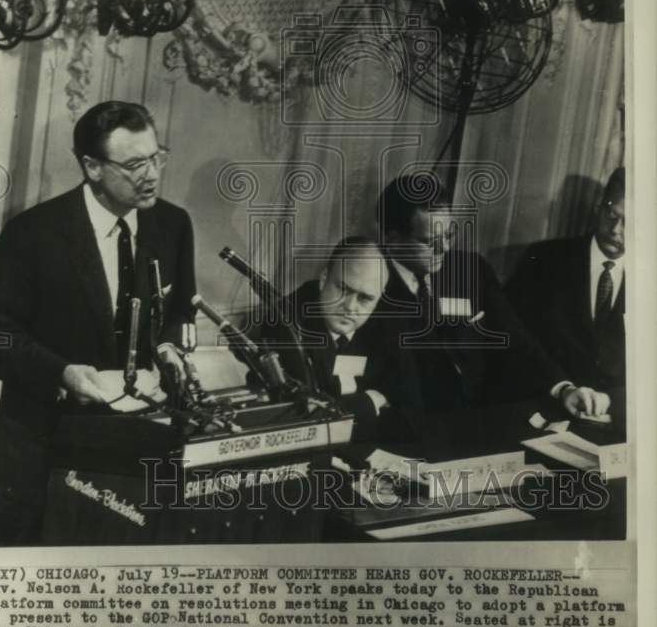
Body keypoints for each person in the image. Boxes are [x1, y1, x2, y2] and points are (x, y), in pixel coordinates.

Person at [0, 101, 196, 544]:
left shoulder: (173, 224)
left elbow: (179, 310)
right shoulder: (31, 233)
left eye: (157, 157)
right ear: (93, 167)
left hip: (135, 441)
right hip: (44, 441)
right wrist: (62, 373)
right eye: (134, 164)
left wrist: (170, 347)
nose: (152, 174)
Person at [365, 170, 554, 444]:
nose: (443, 248)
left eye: (450, 235)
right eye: (429, 241)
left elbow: (517, 339)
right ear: (393, 239)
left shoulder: (471, 270)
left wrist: (562, 387)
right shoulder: (367, 286)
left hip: (482, 421)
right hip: (413, 434)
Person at [506, 168, 626, 431]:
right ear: (598, 206)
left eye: (631, 221)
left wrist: (614, 400)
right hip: (542, 413)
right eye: (611, 213)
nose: (616, 229)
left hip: (619, 424)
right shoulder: (545, 260)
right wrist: (562, 388)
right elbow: (512, 338)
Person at [255, 236, 391, 437]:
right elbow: (308, 415)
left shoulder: (387, 322)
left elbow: (406, 399)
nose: (350, 306)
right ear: (323, 278)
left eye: (365, 298)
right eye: (343, 289)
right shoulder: (285, 321)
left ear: (379, 297)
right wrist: (370, 402)